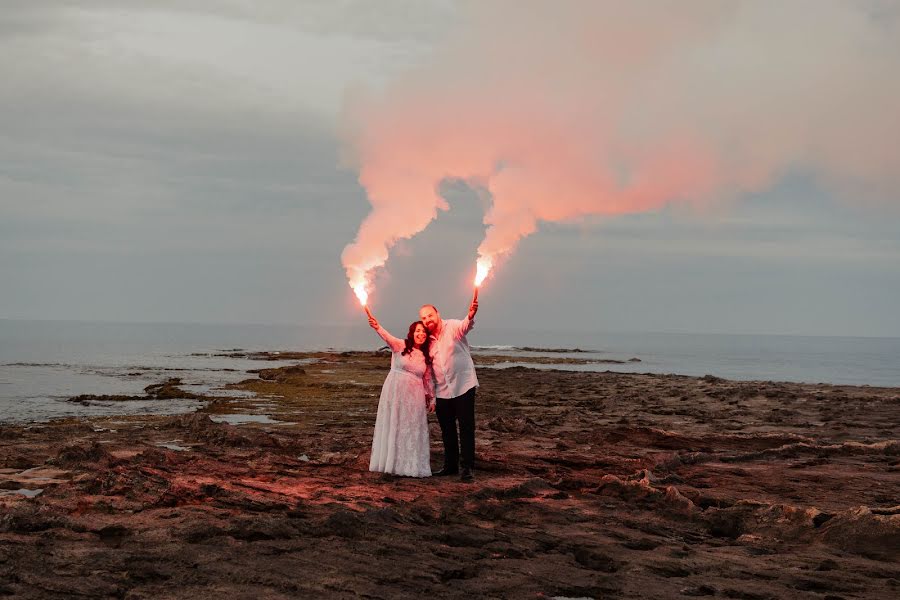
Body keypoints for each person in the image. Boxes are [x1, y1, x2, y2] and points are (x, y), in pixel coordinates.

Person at [366, 313, 436, 477]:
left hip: (415, 396)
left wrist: (432, 398)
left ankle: (410, 465)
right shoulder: (400, 345)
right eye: (418, 331)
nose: (421, 334)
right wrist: (376, 325)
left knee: (411, 427)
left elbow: (427, 379)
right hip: (396, 391)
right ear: (412, 332)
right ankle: (392, 463)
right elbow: (386, 336)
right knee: (395, 423)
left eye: (424, 332)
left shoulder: (426, 357)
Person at [419, 297, 479, 481]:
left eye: (429, 315)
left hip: (463, 385)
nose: (427, 319)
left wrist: (470, 314)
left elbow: (465, 326)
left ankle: (467, 467)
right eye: (423, 318)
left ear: (437, 314)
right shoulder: (426, 341)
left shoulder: (452, 326)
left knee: (466, 427)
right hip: (442, 390)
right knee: (447, 429)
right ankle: (450, 465)